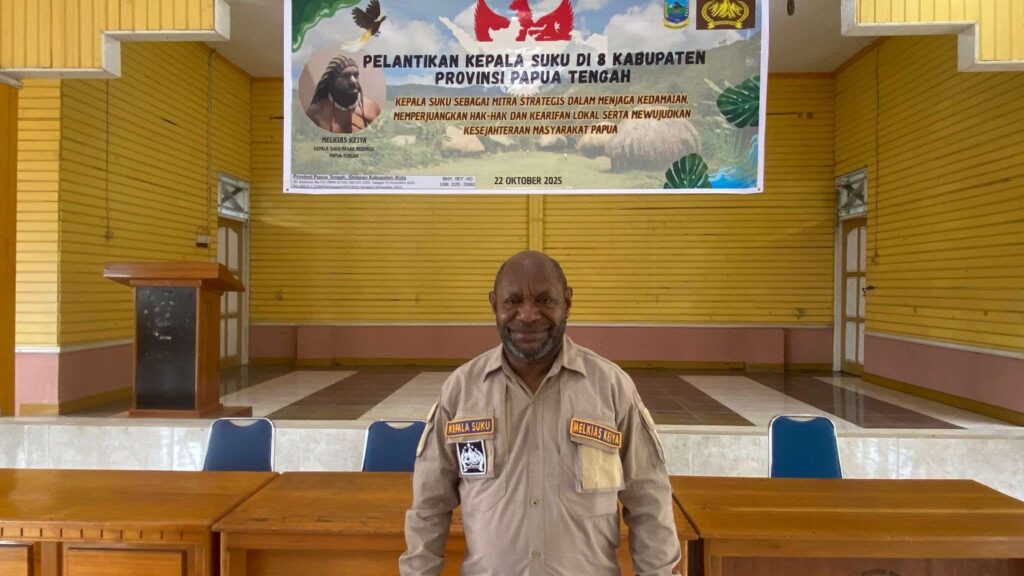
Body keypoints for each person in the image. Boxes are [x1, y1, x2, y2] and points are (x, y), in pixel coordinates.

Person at [401, 251, 681, 575]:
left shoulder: (611, 387)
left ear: (568, 302)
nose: (528, 315)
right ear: (494, 304)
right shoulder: (461, 390)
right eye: (513, 301)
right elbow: (429, 505)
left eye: (544, 300)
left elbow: (649, 502)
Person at [304, 54, 381, 133]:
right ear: (332, 82)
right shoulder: (316, 113)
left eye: (356, 75)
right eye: (345, 76)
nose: (353, 81)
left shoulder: (371, 107)